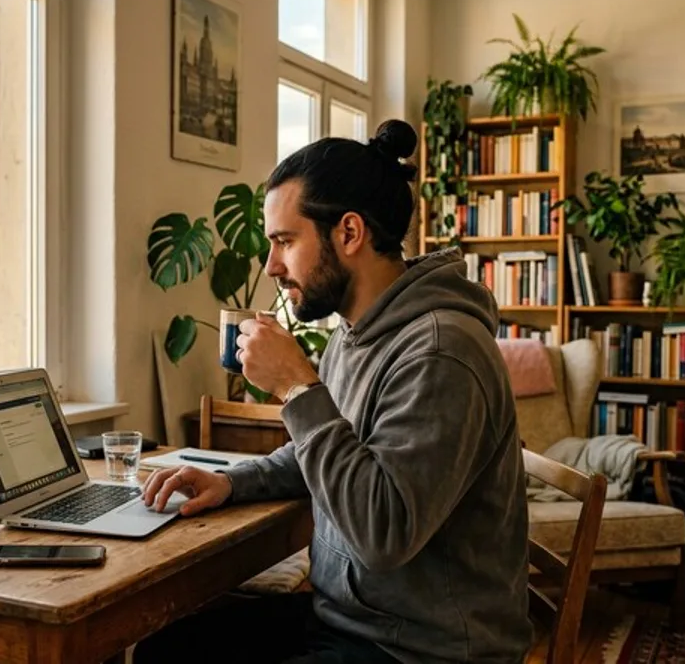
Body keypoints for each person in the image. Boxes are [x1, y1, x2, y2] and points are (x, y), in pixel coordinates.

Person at [133, 119, 532, 664]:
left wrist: (298, 386)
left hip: (422, 648)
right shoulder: (356, 329)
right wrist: (230, 483)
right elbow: (325, 454)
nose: (271, 265)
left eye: (284, 241)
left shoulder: (442, 352)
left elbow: (383, 533)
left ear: (348, 233)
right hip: (352, 621)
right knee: (166, 649)